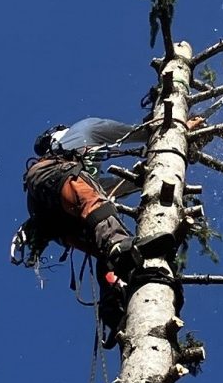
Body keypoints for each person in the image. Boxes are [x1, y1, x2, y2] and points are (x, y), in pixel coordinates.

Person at [16, 115, 197, 345]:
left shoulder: (75, 170)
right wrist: (175, 130)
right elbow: (135, 132)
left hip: (52, 219)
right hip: (58, 183)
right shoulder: (83, 129)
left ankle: (114, 306)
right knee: (102, 215)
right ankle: (118, 248)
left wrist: (146, 175)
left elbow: (110, 188)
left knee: (105, 249)